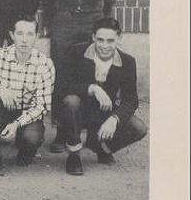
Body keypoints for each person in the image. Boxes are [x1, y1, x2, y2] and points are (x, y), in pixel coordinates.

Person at [43, 0, 119, 152]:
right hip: (64, 22)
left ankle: (92, 129)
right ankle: (63, 130)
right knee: (62, 75)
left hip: (91, 21)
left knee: (91, 73)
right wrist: (52, 23)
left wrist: (102, 20)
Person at [61, 17, 147, 176]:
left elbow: (131, 99)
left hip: (105, 112)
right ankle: (74, 154)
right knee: (70, 101)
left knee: (139, 128)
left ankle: (101, 147)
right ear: (93, 37)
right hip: (80, 111)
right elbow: (62, 87)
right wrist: (92, 88)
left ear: (119, 39)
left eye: (110, 40)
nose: (105, 46)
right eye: (100, 40)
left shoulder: (128, 61)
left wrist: (115, 119)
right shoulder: (76, 52)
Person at [0, 15, 55, 177]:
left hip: (25, 116)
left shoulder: (44, 64)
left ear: (37, 36)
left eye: (30, 34)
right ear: (11, 35)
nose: (24, 40)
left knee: (32, 138)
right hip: (0, 113)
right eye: (20, 33)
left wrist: (16, 124)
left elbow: (42, 106)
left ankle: (24, 149)